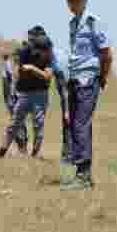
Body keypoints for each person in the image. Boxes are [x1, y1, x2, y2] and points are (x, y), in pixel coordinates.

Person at [61, 0, 113, 191]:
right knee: (74, 124)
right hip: (74, 78)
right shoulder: (73, 24)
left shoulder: (94, 22)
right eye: (70, 1)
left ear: (84, 1)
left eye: (76, 0)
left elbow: (106, 53)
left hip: (88, 79)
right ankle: (82, 173)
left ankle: (83, 176)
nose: (73, 4)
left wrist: (103, 77)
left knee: (81, 124)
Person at [0, 34, 54, 159]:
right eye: (46, 51)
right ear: (37, 50)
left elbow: (48, 76)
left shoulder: (49, 56)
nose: (48, 53)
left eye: (48, 51)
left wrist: (32, 69)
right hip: (24, 94)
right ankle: (1, 152)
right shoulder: (25, 53)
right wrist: (15, 90)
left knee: (38, 126)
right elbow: (17, 72)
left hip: (40, 94)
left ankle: (33, 156)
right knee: (14, 124)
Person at [27, 25, 70, 165]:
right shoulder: (50, 54)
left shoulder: (58, 61)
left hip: (73, 89)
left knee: (69, 120)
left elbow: (64, 90)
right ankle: (67, 155)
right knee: (68, 121)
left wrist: (67, 110)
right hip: (64, 87)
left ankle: (70, 156)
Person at [1, 51, 28, 150]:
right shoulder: (14, 69)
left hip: (20, 98)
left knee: (19, 122)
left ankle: (22, 144)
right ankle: (20, 144)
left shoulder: (23, 69)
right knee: (16, 121)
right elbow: (12, 84)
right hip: (14, 98)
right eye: (14, 57)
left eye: (17, 57)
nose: (15, 59)